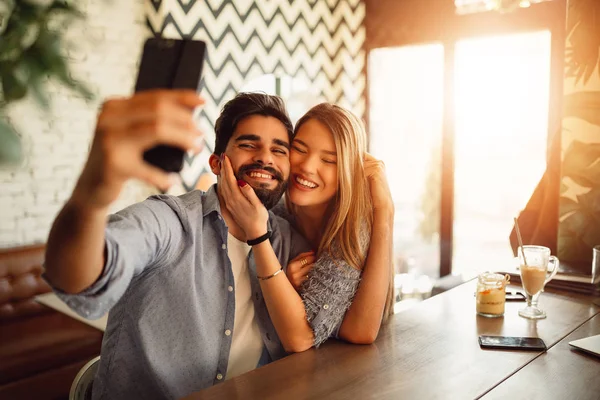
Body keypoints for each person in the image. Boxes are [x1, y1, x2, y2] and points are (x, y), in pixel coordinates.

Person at [43, 91, 311, 399]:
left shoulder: (289, 240)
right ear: (216, 163)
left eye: (279, 150)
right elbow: (80, 278)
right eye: (249, 144)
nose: (265, 157)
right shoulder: (170, 220)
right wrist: (92, 194)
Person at [219, 103, 394, 351]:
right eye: (299, 149)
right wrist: (287, 286)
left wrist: (385, 211)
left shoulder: (352, 229)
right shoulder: (274, 213)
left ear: (348, 172)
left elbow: (359, 331)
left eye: (329, 160)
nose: (308, 167)